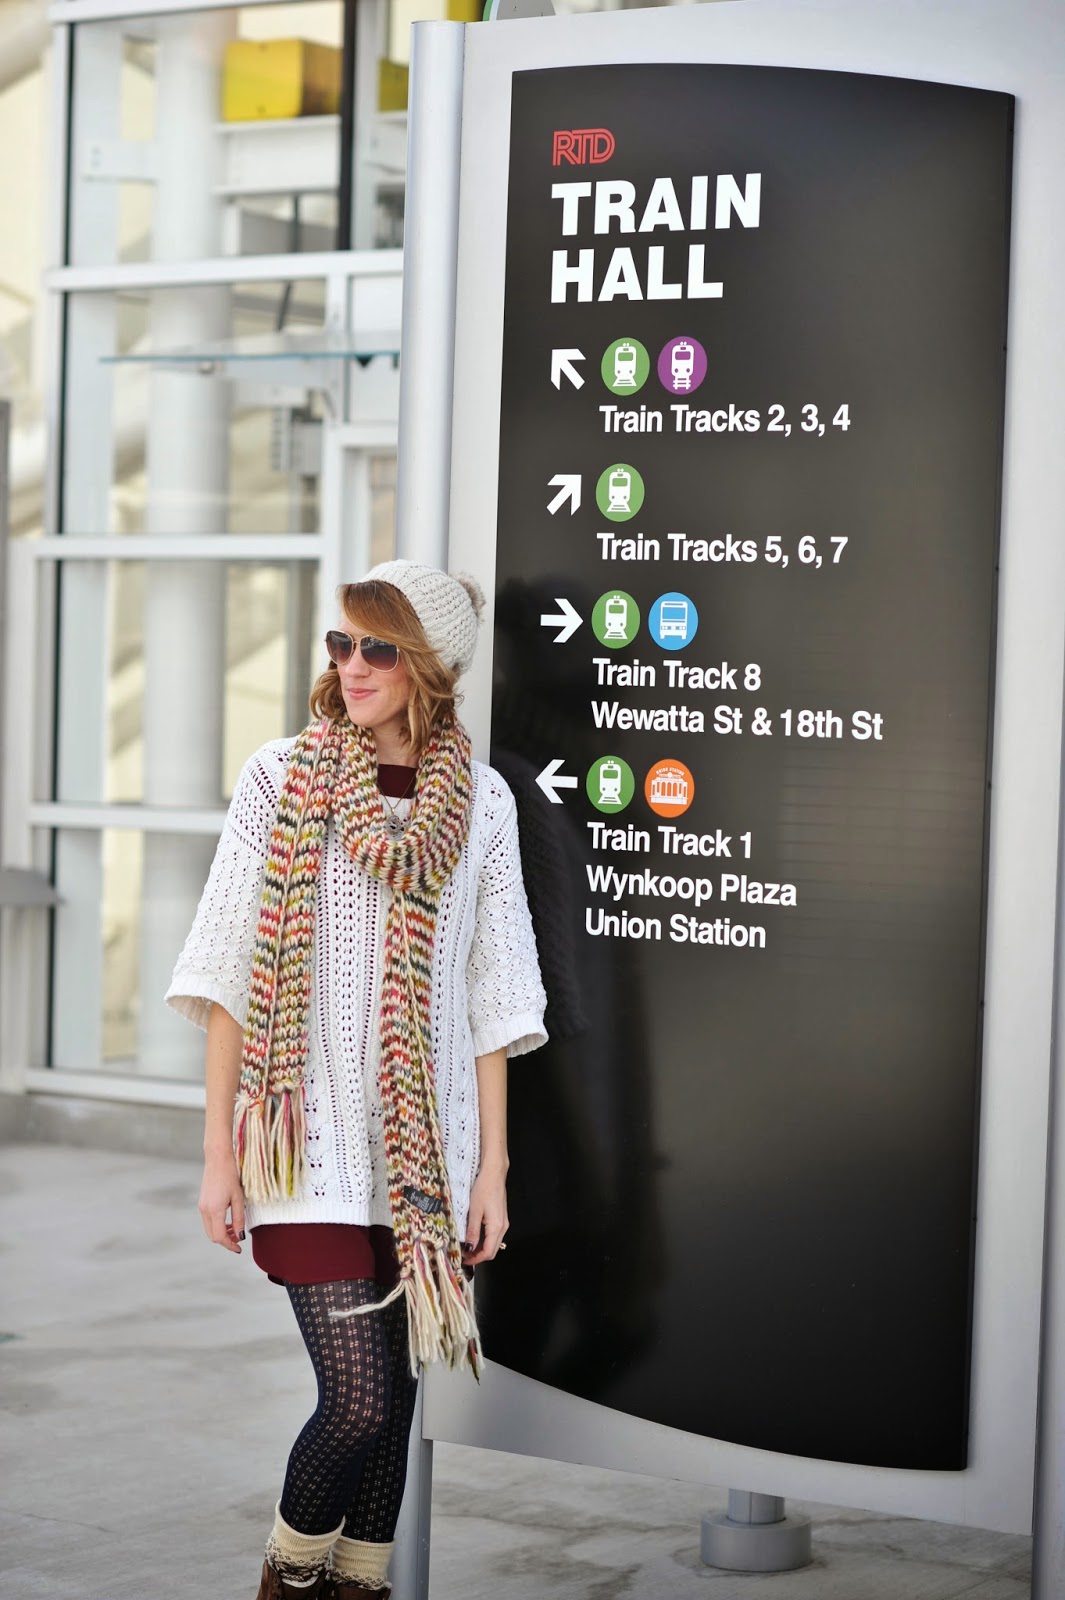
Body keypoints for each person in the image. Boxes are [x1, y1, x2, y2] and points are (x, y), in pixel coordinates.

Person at [166, 561, 547, 1600]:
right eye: (342, 642)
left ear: (432, 666)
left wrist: (491, 1170)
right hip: (305, 1147)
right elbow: (228, 975)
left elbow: (493, 998)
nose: (351, 665)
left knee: (397, 1410)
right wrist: (218, 1158)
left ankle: (357, 1589)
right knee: (361, 1403)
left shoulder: (482, 804)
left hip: (426, 1161)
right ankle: (286, 1581)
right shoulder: (280, 778)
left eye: (378, 648)